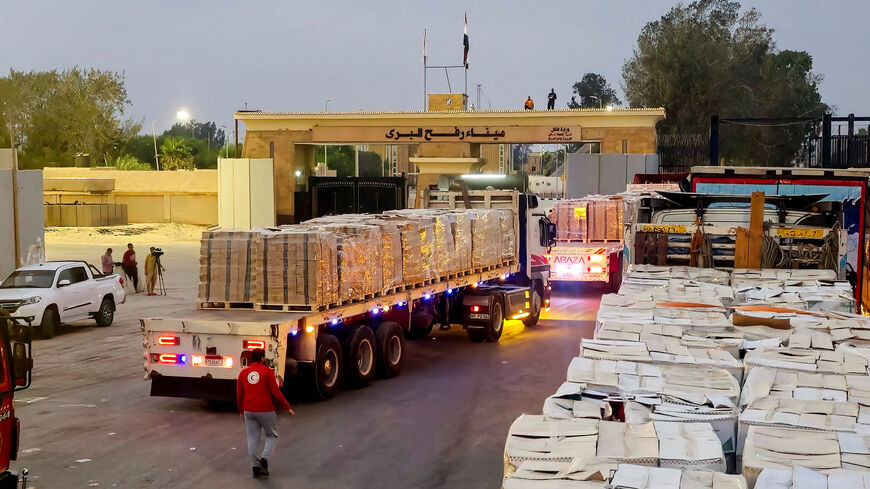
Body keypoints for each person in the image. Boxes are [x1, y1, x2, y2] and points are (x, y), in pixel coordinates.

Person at [237, 349, 294, 478]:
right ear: (262, 358)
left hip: (249, 410)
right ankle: (264, 458)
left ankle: (255, 468)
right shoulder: (268, 372)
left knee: (252, 439)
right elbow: (276, 392)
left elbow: (239, 394)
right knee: (272, 435)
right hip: (266, 410)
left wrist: (241, 411)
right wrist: (287, 407)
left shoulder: (243, 373)